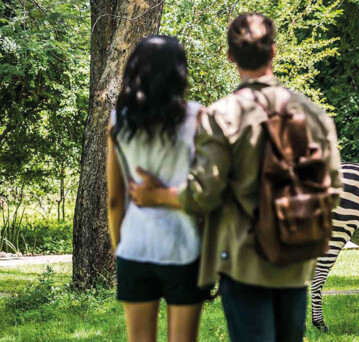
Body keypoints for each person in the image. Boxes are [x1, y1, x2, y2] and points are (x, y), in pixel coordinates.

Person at [127, 13, 343, 342]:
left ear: (230, 56)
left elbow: (203, 194)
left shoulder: (222, 115)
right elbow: (334, 190)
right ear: (274, 51)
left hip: (244, 262)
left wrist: (157, 195)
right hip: (298, 262)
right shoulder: (313, 114)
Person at [106, 35, 211, 342]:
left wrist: (121, 250)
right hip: (185, 248)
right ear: (179, 72)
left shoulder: (118, 122)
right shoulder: (197, 117)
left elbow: (115, 199)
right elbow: (206, 190)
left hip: (135, 249)